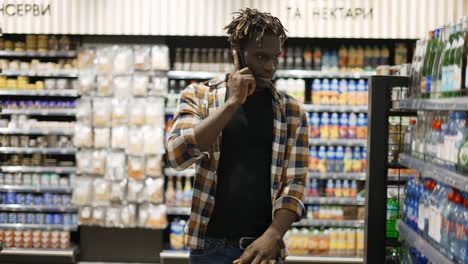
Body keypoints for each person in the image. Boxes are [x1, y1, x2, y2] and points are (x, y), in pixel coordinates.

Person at [165, 8, 309, 264]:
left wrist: (273, 235)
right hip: (209, 248)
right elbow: (177, 157)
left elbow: (294, 184)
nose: (270, 67)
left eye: (275, 58)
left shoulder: (292, 111)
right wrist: (231, 103)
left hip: (263, 249)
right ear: (237, 54)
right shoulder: (199, 96)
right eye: (260, 56)